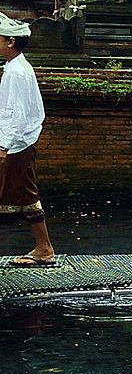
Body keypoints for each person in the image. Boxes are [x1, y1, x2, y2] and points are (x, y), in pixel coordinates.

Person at [0, 14, 53, 267]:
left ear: (10, 42)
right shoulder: (16, 67)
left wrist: (3, 145)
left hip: (17, 143)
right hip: (19, 142)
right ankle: (43, 248)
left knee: (25, 194)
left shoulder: (17, 73)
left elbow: (16, 114)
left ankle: (44, 248)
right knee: (24, 193)